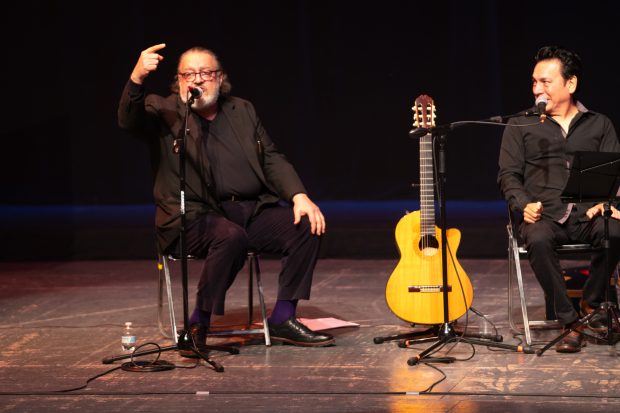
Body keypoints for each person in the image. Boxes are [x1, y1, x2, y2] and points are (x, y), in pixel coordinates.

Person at [118, 43, 335, 349]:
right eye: (189, 74)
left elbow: (271, 157)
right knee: (230, 237)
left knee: (306, 225)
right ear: (179, 81)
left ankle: (283, 317)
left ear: (219, 78)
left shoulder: (241, 110)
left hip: (249, 211)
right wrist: (137, 77)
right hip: (192, 217)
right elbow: (129, 121)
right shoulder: (164, 110)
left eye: (205, 73)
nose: (197, 80)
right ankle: (197, 324)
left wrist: (299, 195)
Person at [498, 45, 620, 353]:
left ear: (571, 84)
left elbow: (614, 177)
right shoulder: (520, 124)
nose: (537, 89)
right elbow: (508, 176)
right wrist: (522, 203)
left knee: (616, 230)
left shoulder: (599, 124)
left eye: (545, 82)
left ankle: (592, 304)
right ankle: (570, 322)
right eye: (534, 82)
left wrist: (610, 205)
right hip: (544, 217)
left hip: (587, 214)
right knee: (537, 239)